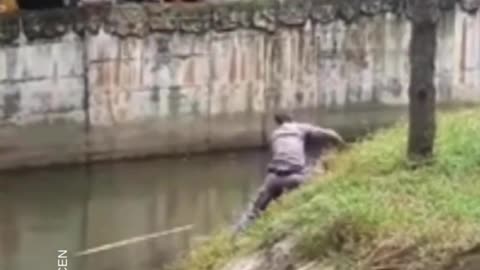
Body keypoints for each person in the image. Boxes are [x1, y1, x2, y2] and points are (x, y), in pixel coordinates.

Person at [234, 112, 346, 233]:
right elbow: (331, 134)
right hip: (295, 176)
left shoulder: (275, 135)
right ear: (292, 119)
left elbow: (280, 153)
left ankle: (238, 236)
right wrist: (342, 146)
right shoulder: (299, 128)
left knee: (254, 212)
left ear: (278, 123)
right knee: (312, 193)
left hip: (273, 178)